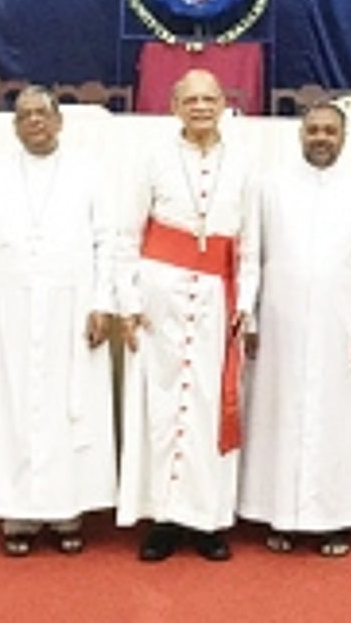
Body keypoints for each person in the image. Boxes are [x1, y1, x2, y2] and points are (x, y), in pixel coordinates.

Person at [0, 87, 116, 556]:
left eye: (41, 114)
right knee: (15, 407)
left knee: (71, 407)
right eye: (24, 116)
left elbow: (107, 241)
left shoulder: (89, 172)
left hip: (73, 307)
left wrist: (102, 301)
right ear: (14, 126)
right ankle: (17, 515)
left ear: (59, 121)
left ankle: (68, 512)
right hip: (10, 308)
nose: (34, 123)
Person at [117, 68, 259, 562]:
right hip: (160, 299)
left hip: (218, 300)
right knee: (160, 405)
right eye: (191, 99)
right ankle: (162, 518)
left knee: (206, 407)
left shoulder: (243, 165)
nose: (201, 107)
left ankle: (207, 520)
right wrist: (129, 303)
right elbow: (126, 237)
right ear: (175, 106)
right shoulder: (152, 159)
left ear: (224, 104)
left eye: (210, 98)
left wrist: (246, 305)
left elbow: (252, 247)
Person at [237, 102, 351, 558]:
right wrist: (248, 314)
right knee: (278, 417)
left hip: (340, 328)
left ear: (344, 138)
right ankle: (278, 516)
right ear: (300, 134)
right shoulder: (270, 188)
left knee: (335, 422)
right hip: (279, 327)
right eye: (314, 130)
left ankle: (334, 519)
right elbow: (251, 255)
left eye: (330, 131)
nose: (321, 137)